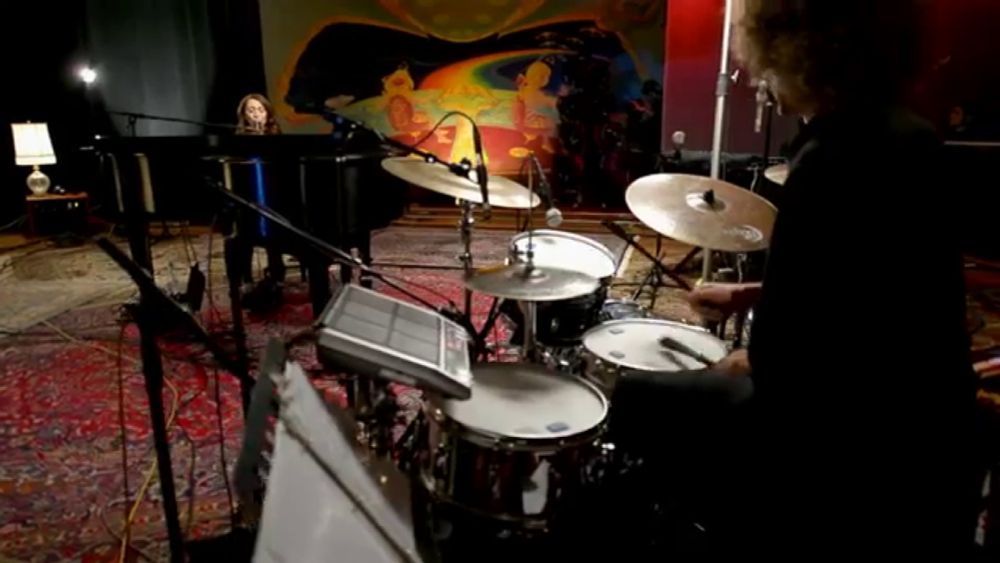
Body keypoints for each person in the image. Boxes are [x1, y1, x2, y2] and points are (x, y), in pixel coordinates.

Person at [609, 0, 980, 557]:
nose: (758, 75)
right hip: (934, 415)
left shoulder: (830, 159)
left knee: (637, 396)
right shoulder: (912, 137)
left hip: (846, 436)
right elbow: (869, 290)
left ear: (802, 50)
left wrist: (742, 361)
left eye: (764, 58)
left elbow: (785, 364)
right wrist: (748, 292)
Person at [233, 93, 286, 309]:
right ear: (244, 115)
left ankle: (277, 276)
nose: (256, 114)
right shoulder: (236, 142)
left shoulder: (278, 139)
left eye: (260, 110)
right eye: (251, 110)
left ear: (268, 113)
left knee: (275, 233)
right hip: (247, 197)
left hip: (274, 197)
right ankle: (245, 280)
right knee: (243, 234)